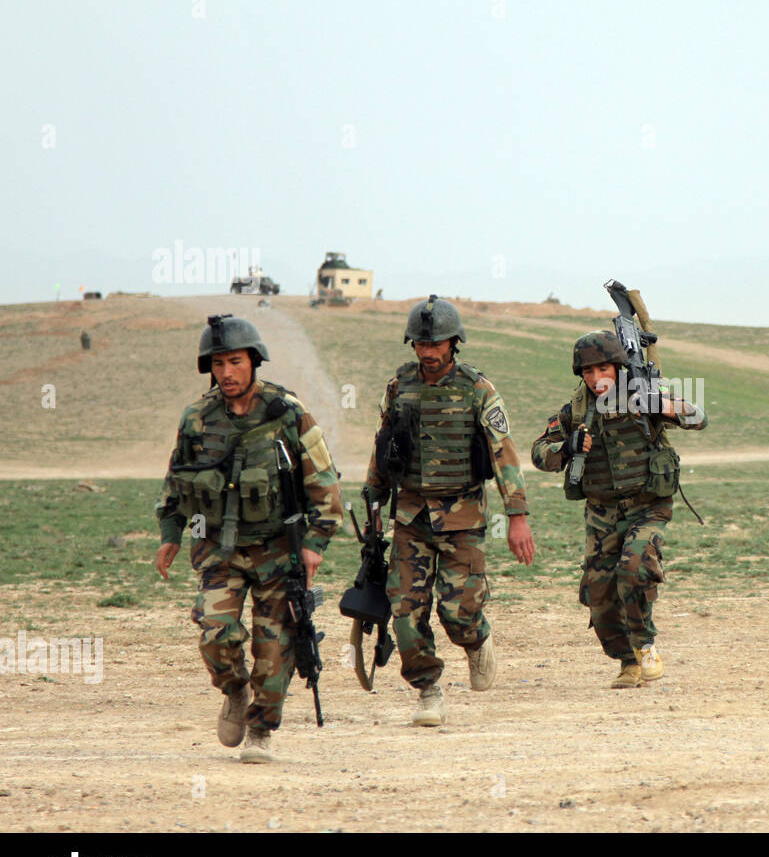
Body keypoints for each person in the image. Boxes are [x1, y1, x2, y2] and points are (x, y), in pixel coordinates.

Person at [155, 314, 342, 763]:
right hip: (219, 552)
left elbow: (326, 484)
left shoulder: (287, 414)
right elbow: (176, 483)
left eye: (234, 362)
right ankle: (235, 691)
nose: (226, 373)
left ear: (254, 361)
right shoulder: (197, 419)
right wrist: (170, 535)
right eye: (217, 364)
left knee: (273, 652)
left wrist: (315, 543)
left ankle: (260, 732)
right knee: (216, 636)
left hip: (278, 553)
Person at [362, 296, 535, 726]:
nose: (428, 351)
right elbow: (383, 448)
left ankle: (477, 640)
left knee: (458, 612)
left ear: (454, 342)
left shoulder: (478, 389)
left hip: (463, 519)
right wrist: (373, 500)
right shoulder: (399, 386)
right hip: (411, 517)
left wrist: (517, 515)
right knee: (405, 611)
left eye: (437, 342)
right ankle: (428, 691)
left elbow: (504, 453)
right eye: (421, 343)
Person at [530, 331, 707, 688]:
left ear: (619, 366)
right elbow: (538, 453)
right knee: (600, 594)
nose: (597, 379)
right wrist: (567, 448)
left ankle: (645, 646)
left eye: (604, 369)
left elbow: (698, 416)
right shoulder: (575, 410)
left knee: (634, 567)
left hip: (647, 505)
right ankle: (628, 661)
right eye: (589, 372)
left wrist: (663, 406)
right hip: (601, 514)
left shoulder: (644, 396)